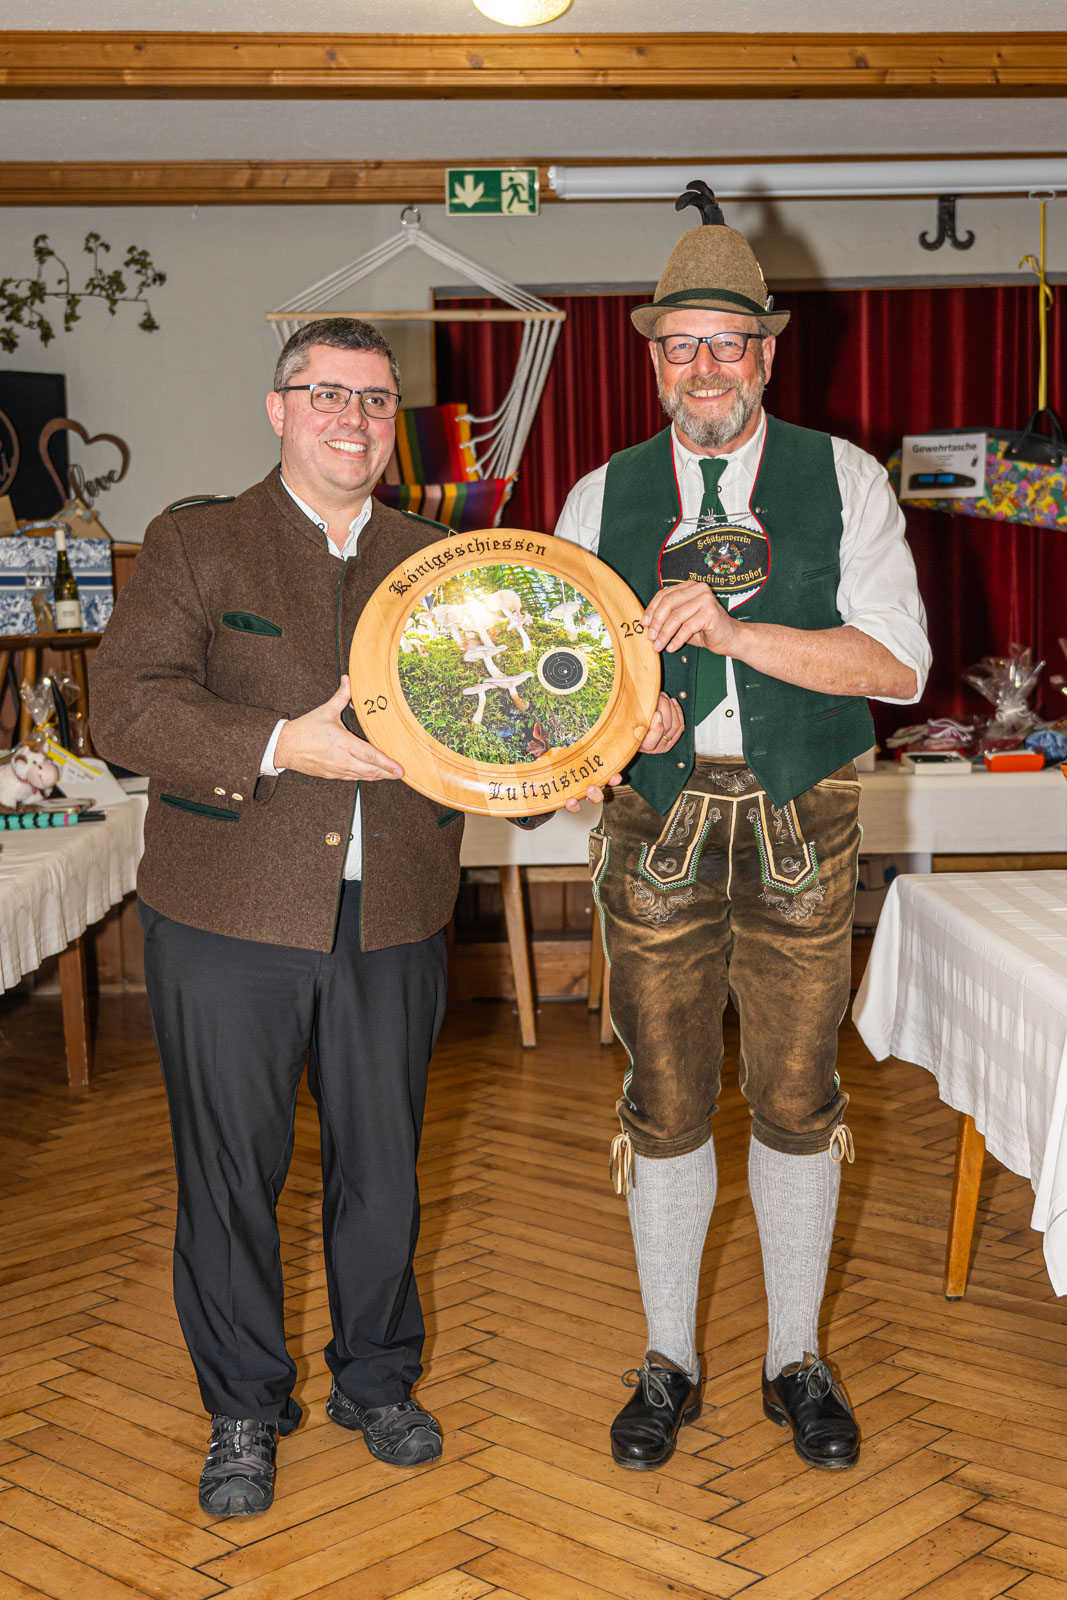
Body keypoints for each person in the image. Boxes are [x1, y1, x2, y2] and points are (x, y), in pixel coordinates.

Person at [554, 187, 930, 1473]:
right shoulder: (597, 496)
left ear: (766, 353)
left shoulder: (844, 478)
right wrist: (625, 727)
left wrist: (730, 634)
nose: (703, 367)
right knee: (662, 1097)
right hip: (653, 822)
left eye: (727, 342)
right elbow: (571, 691)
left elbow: (895, 666)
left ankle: (793, 1357)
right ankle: (667, 1356)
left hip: (799, 819)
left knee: (796, 1092)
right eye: (680, 345)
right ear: (652, 360)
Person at [91, 318, 478, 1516]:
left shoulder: (440, 558)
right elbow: (125, 708)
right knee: (228, 1176)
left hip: (394, 913)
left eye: (373, 399)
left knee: (384, 1168)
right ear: (278, 409)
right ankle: (244, 1408)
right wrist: (276, 743)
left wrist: (562, 757)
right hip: (225, 914)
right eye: (326, 394)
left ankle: (377, 1380)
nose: (352, 418)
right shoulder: (196, 541)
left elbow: (487, 714)